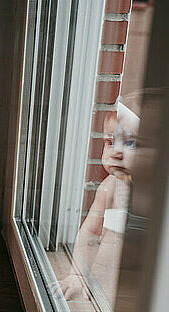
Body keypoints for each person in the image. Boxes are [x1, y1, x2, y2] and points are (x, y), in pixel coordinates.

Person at [52, 101, 139, 301]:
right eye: (110, 141)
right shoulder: (109, 188)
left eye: (131, 142)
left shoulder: (155, 197)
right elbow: (90, 232)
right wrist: (77, 275)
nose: (116, 151)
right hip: (101, 292)